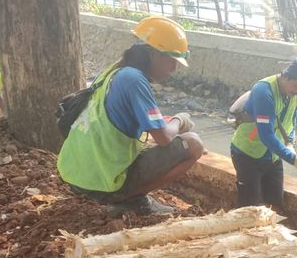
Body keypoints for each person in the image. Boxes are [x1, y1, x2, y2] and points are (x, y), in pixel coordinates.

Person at [57, 15, 205, 217]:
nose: (174, 68)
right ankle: (130, 199)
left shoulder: (115, 71)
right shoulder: (135, 80)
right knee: (193, 144)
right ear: (153, 54)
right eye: (172, 61)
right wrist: (180, 120)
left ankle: (122, 194)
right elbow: (163, 138)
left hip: (77, 175)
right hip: (104, 183)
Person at [229, 57, 297, 210]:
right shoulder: (264, 91)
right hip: (248, 153)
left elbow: (290, 120)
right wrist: (291, 158)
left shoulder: (295, 94)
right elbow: (266, 135)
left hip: (273, 155)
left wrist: (289, 144)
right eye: (296, 85)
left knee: (275, 203)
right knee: (249, 206)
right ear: (286, 76)